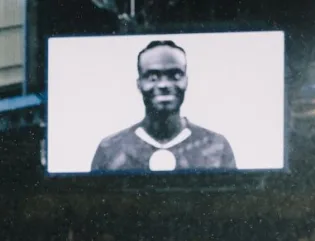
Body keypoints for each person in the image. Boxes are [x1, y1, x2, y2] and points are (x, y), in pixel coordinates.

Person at [90, 40, 236, 173]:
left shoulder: (216, 146)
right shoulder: (110, 149)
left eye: (175, 76)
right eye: (152, 77)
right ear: (139, 84)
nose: (164, 85)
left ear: (186, 81)